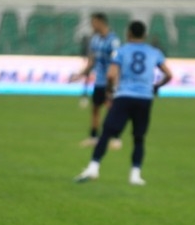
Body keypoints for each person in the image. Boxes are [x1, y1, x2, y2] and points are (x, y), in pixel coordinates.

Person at [75, 20, 173, 185]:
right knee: (139, 137)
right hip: (144, 98)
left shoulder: (122, 51)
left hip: (124, 96)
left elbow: (111, 75)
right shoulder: (154, 52)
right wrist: (156, 86)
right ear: (145, 35)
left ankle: (93, 167)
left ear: (128, 34)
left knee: (106, 133)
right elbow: (169, 75)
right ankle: (135, 175)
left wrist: (109, 91)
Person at [70, 13, 123, 149]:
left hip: (110, 80)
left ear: (100, 22)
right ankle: (94, 137)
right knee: (95, 109)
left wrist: (116, 81)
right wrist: (79, 75)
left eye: (93, 22)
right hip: (99, 81)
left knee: (112, 109)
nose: (92, 26)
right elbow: (91, 61)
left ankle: (116, 138)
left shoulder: (113, 40)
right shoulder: (95, 40)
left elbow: (117, 63)